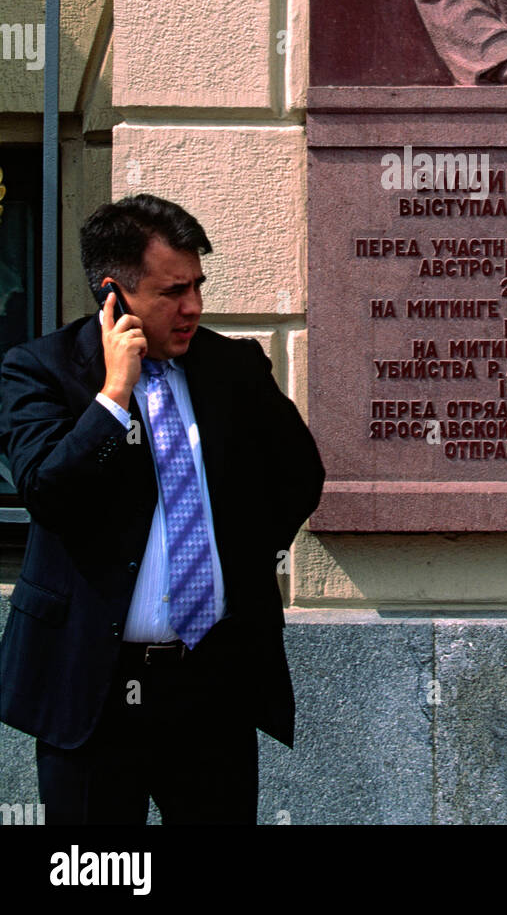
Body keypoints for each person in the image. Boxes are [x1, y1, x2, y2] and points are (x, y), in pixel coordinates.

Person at [0, 193, 324, 825]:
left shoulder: (232, 367)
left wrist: (236, 558)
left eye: (198, 286)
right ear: (114, 295)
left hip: (210, 684)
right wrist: (113, 398)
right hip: (92, 685)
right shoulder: (40, 371)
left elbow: (298, 474)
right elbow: (46, 491)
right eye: (174, 292)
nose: (194, 308)